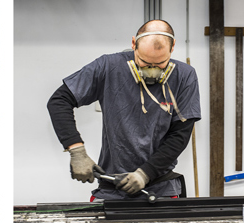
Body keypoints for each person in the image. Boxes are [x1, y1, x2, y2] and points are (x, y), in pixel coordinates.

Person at [47, 20, 201, 201]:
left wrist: (146, 173)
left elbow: (180, 135)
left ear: (173, 47)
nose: (151, 71)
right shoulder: (108, 67)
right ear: (133, 44)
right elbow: (59, 101)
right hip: (112, 188)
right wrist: (76, 150)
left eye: (160, 64)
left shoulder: (184, 75)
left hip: (160, 189)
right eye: (143, 62)